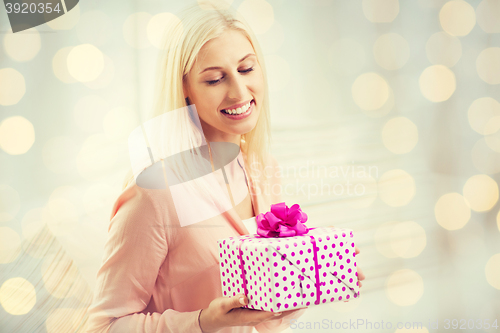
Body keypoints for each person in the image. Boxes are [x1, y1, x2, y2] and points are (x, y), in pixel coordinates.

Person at [85, 3, 365, 333]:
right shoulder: (156, 193)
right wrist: (203, 322)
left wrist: (309, 282)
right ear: (185, 89)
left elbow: (260, 318)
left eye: (246, 70)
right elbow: (103, 326)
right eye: (216, 79)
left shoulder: (262, 169)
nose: (239, 92)